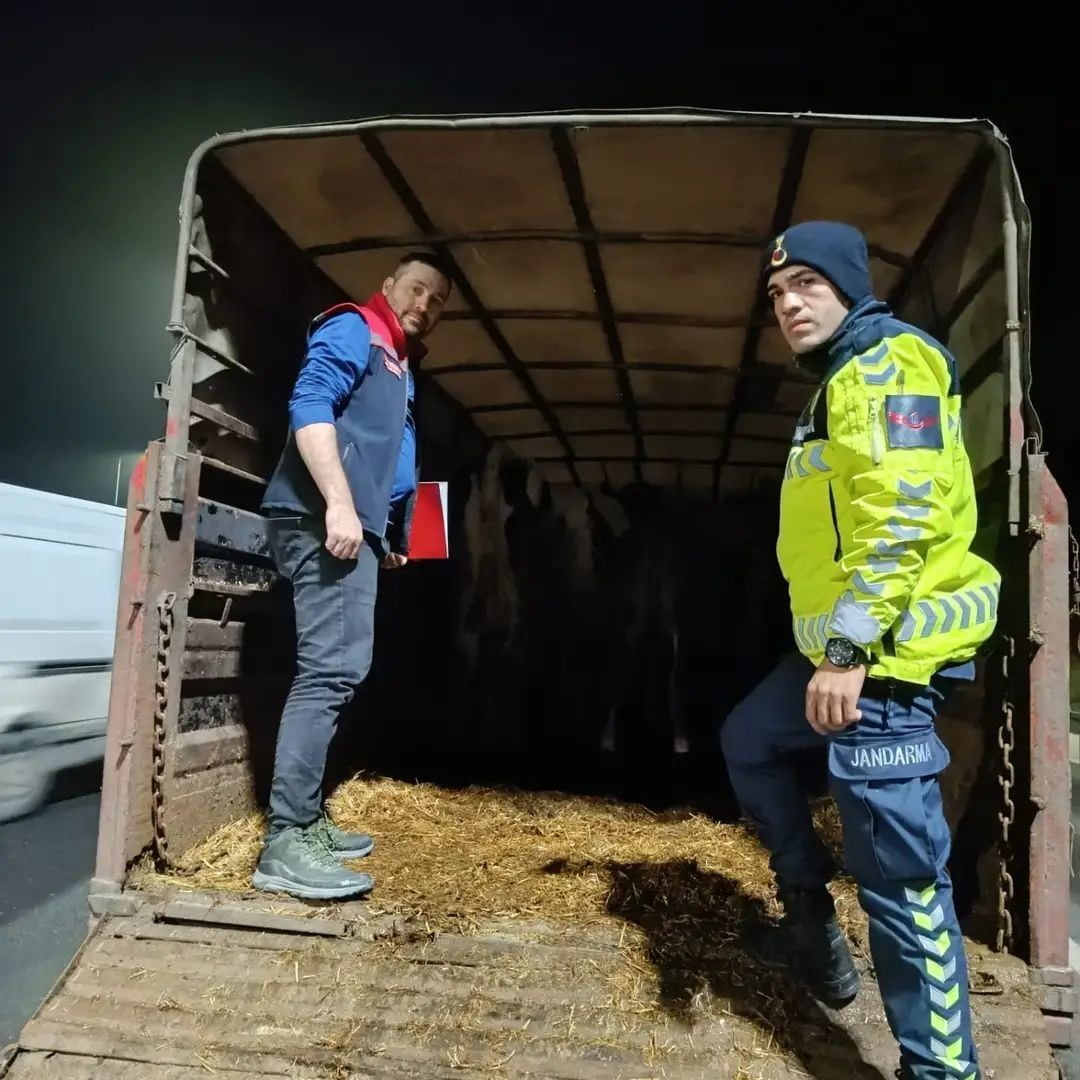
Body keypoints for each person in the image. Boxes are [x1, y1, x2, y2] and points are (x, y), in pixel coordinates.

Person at [720, 222, 999, 1080]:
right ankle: (811, 928)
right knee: (750, 740)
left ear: (849, 286)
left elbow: (901, 517)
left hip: (876, 661)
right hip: (840, 651)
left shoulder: (886, 365)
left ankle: (941, 1068)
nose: (788, 303)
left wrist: (846, 650)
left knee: (902, 880)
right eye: (776, 294)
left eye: (806, 283)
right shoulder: (837, 379)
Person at [251, 252, 451, 900]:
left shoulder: (400, 364)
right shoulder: (353, 327)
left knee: (342, 670)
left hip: (355, 527)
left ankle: (306, 820)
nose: (424, 303)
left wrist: (393, 533)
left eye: (437, 299)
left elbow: (398, 455)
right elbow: (309, 407)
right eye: (415, 288)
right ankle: (286, 841)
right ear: (389, 285)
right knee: (328, 672)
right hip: (318, 517)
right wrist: (339, 502)